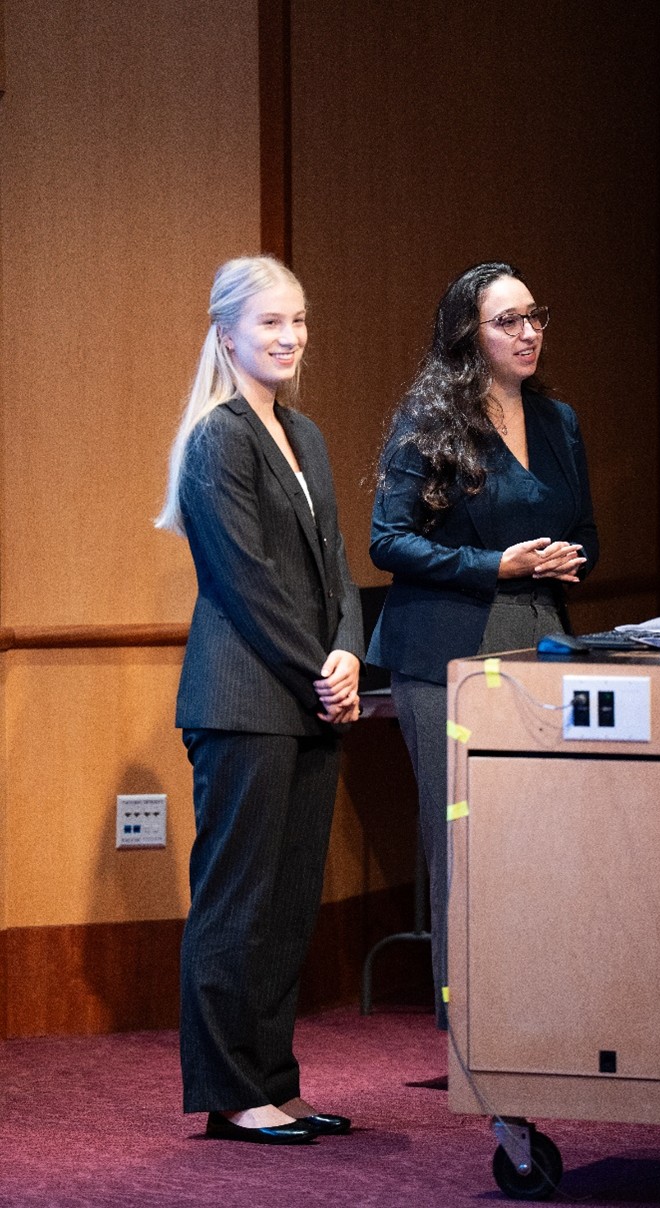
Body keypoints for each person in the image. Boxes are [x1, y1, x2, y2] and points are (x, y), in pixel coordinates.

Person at [155, 255, 364, 1144]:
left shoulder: (303, 433)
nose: (290, 337)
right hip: (245, 700)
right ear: (226, 333)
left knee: (285, 908)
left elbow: (336, 566)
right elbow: (247, 583)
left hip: (308, 695)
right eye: (271, 322)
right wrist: (322, 669)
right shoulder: (218, 437)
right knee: (237, 904)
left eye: (299, 320)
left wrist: (350, 651)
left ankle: (274, 1083)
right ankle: (232, 1094)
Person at [367, 261, 599, 1029]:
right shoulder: (430, 419)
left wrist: (568, 559)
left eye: (535, 317)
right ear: (469, 335)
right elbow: (387, 541)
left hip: (540, 641)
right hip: (447, 655)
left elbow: (586, 532)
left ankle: (538, 1017)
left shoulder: (558, 421)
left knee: (544, 837)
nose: (529, 333)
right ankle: (469, 1025)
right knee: (464, 841)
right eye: (509, 321)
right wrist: (493, 565)